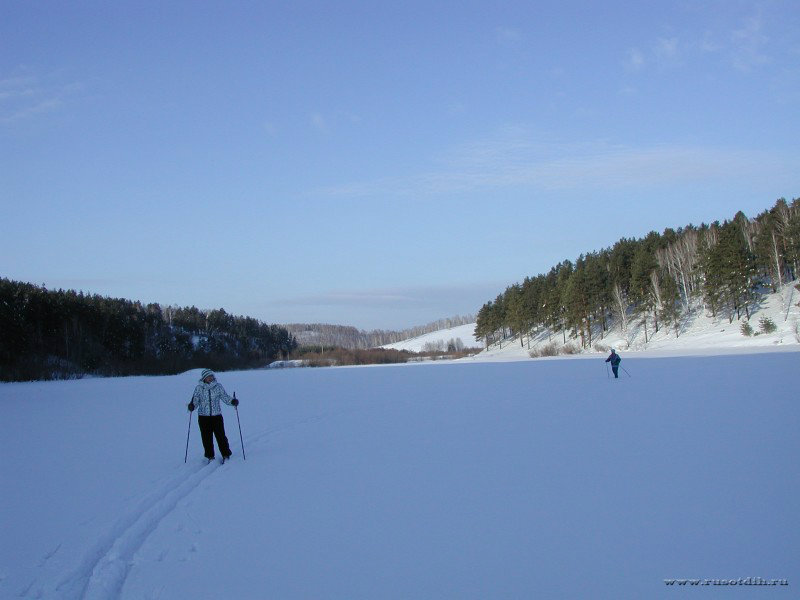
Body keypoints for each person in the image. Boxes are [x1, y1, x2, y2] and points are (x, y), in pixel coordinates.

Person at [188, 369, 239, 462]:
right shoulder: (199, 388)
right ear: (204, 378)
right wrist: (192, 406)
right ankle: (210, 456)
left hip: (217, 416)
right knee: (206, 437)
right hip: (203, 417)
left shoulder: (218, 386)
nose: (210, 378)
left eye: (211, 376)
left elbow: (225, 397)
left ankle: (226, 454)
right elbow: (195, 401)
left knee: (221, 436)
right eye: (208, 376)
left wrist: (233, 401)